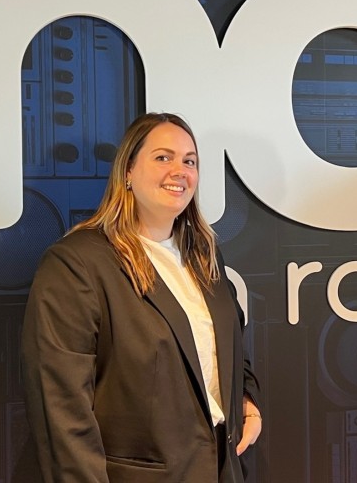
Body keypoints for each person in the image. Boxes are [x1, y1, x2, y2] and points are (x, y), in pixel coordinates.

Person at [21, 112, 261, 482]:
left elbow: (230, 344)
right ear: (128, 172)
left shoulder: (203, 255)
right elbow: (61, 407)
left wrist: (246, 398)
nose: (179, 171)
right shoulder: (78, 263)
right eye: (163, 157)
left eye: (190, 161)